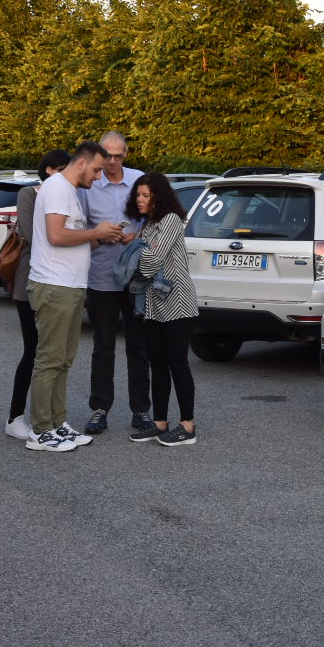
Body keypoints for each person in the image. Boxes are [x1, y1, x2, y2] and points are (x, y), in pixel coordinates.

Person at [25, 141, 125, 452]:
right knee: (50, 360)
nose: (98, 176)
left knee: (63, 360)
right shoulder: (57, 187)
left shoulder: (69, 191)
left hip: (70, 286)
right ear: (81, 163)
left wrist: (105, 236)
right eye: (96, 170)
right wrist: (96, 232)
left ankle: (57, 423)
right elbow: (56, 235)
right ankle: (40, 431)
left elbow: (76, 238)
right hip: (55, 285)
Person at [79, 130, 150, 435]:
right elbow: (78, 230)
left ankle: (141, 410)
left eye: (118, 155)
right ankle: (99, 409)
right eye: (107, 155)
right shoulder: (89, 185)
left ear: (126, 154)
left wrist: (136, 235)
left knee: (139, 346)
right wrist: (99, 235)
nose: (111, 161)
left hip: (135, 278)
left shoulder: (139, 179)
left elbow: (155, 221)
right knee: (103, 346)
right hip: (101, 276)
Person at [125, 173, 200, 446]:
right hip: (153, 304)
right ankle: (159, 423)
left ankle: (188, 426)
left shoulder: (170, 220)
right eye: (138, 195)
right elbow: (141, 257)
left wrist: (139, 254)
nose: (140, 199)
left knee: (177, 362)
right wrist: (141, 253)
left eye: (145, 195)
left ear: (159, 196)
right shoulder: (148, 224)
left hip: (177, 302)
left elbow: (151, 260)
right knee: (156, 363)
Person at [4, 148, 72, 441]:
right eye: (60, 169)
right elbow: (35, 235)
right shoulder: (28, 194)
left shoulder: (69, 196)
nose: (64, 176)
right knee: (33, 351)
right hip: (28, 281)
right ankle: (15, 417)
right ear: (48, 170)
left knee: (54, 354)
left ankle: (52, 419)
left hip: (57, 282)